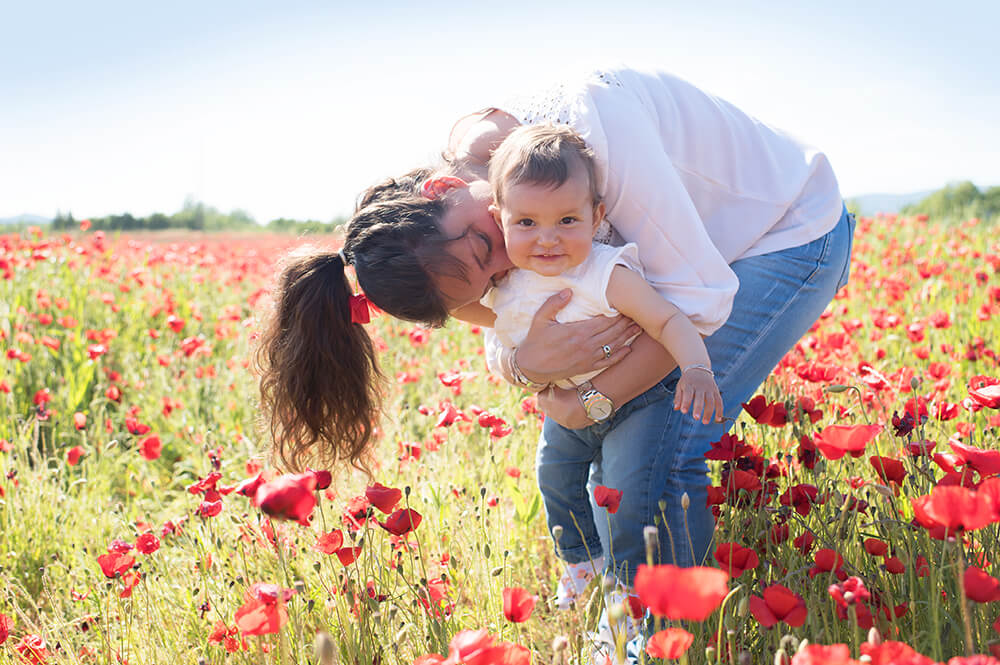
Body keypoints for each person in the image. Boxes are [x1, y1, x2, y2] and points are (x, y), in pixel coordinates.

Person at [255, 65, 854, 659]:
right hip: (687, 268)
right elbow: (507, 320)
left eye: (487, 249)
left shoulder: (595, 143)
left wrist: (590, 400)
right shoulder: (458, 218)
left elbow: (695, 306)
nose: (509, 271)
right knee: (607, 454)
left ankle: (648, 641)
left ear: (442, 187)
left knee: (652, 454)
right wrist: (525, 364)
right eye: (485, 281)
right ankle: (616, 611)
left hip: (783, 229)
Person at [460, 123, 724, 609]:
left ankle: (626, 594)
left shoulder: (605, 271)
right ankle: (582, 561)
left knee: (627, 495)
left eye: (566, 220)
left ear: (596, 215)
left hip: (639, 402)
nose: (547, 240)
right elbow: (478, 312)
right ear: (500, 220)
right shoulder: (510, 283)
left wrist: (697, 371)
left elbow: (668, 320)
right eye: (526, 223)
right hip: (566, 407)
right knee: (553, 477)